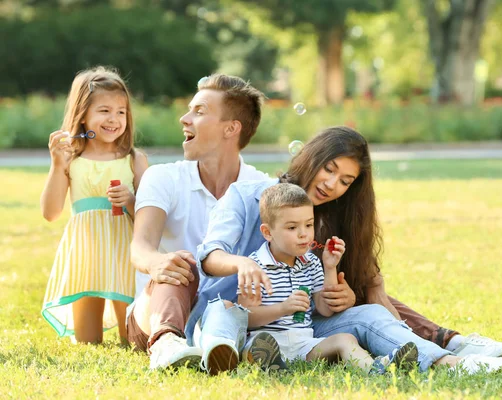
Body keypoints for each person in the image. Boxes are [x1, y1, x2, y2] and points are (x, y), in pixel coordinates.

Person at [196, 126, 502, 374]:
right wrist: (242, 264)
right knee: (224, 310)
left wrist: (337, 295)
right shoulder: (246, 195)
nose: (332, 184)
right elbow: (210, 256)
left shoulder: (331, 222)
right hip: (238, 318)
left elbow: (338, 298)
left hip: (301, 330)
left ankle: (456, 362)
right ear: (312, 157)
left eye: (345, 181)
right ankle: (222, 355)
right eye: (329, 169)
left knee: (371, 313)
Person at [127, 74, 285, 373]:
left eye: (199, 112)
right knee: (183, 263)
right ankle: (166, 344)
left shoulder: (262, 189)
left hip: (225, 316)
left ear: (231, 128)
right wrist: (157, 263)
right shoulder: (164, 177)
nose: (184, 119)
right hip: (157, 309)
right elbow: (140, 247)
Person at [238, 183, 419, 374]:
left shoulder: (311, 264)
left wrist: (330, 267)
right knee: (257, 347)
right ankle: (272, 363)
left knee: (344, 339)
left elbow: (325, 309)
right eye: (292, 227)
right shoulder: (254, 266)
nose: (303, 234)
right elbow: (247, 318)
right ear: (267, 232)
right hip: (265, 342)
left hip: (303, 344)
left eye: (309, 225)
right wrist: (283, 308)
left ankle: (377, 370)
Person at [41, 66, 148, 344]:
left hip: (127, 255)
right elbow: (51, 213)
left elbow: (151, 219)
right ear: (83, 115)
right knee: (89, 342)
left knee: (136, 340)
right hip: (86, 256)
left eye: (121, 112)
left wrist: (131, 201)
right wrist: (56, 166)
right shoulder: (71, 159)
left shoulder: (135, 159)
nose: (114, 119)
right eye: (104, 111)